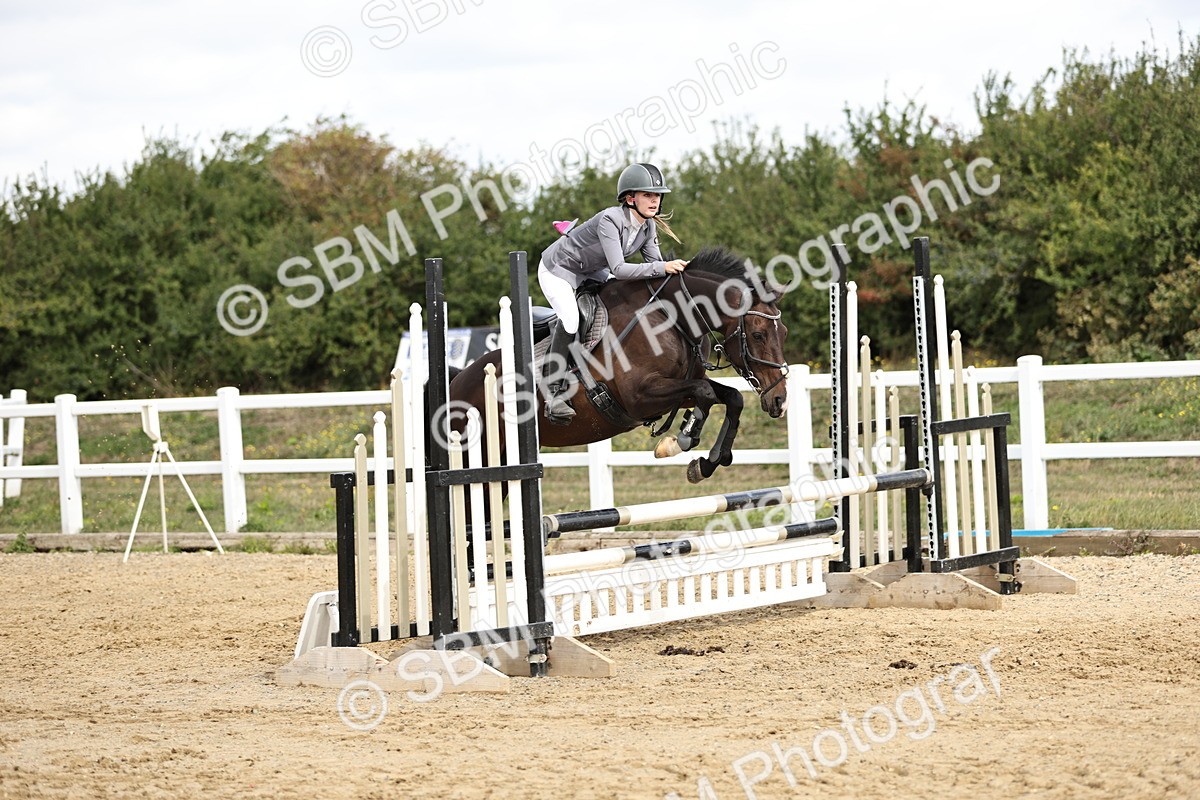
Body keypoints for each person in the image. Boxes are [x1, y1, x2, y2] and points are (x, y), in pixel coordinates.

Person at [537, 163, 689, 424]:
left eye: (657, 196)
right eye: (648, 195)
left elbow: (654, 271)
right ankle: (552, 393)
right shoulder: (610, 219)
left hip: (590, 270)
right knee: (571, 319)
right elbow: (620, 269)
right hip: (558, 269)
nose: (655, 201)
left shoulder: (647, 226)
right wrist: (663, 266)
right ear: (631, 198)